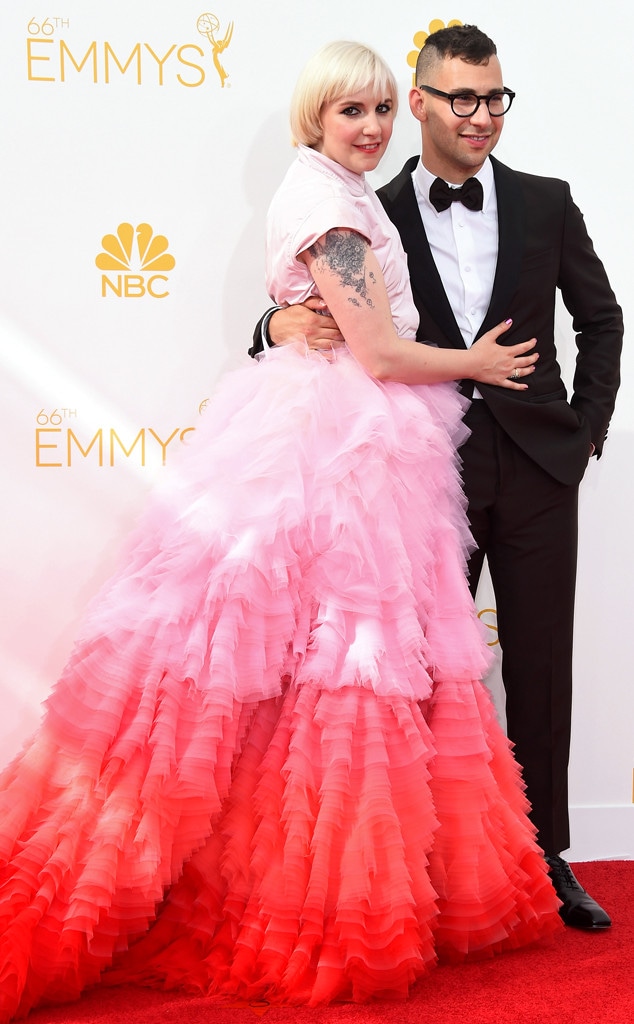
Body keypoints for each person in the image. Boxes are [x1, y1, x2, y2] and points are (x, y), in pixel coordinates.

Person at [0, 41, 561, 1022]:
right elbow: (380, 346)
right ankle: (301, 902)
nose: (374, 126)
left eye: (384, 108)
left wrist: (289, 320)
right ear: (315, 117)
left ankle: (305, 887)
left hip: (355, 434)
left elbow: (349, 320)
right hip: (329, 442)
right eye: (353, 111)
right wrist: (473, 359)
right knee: (324, 665)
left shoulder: (344, 192)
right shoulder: (329, 201)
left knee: (321, 676)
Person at [254, 24, 623, 932]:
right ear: (419, 103)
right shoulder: (365, 206)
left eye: (495, 97)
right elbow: (318, 305)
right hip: (421, 476)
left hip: (540, 468)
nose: (482, 115)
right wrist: (270, 329)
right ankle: (424, 864)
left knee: (539, 668)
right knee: (416, 675)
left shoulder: (547, 200)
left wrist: (585, 435)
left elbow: (603, 319)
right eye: (462, 97)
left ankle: (547, 857)